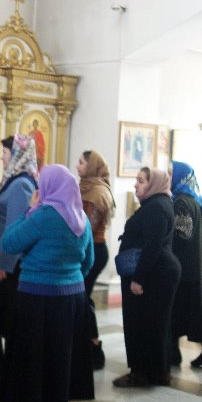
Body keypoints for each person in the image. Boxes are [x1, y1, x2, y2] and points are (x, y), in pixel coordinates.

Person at [0, 164, 94, 402]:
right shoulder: (81, 219)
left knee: (35, 365)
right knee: (61, 365)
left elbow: (9, 242)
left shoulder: (42, 216)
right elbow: (88, 261)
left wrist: (29, 209)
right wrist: (69, 276)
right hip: (72, 300)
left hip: (37, 299)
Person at [114, 167, 180, 387]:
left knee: (140, 324)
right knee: (155, 324)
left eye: (141, 181)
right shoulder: (159, 203)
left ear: (154, 184)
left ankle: (141, 373)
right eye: (137, 180)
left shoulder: (156, 207)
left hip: (152, 274)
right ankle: (157, 372)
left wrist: (138, 279)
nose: (136, 185)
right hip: (158, 272)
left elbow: (153, 246)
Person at [0, 134, 39, 374]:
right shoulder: (13, 181)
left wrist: (5, 264)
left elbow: (14, 228)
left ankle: (10, 366)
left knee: (6, 314)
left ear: (17, 155)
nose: (2, 158)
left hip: (5, 261)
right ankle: (3, 362)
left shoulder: (21, 185)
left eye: (5, 153)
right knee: (0, 312)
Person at [168, 161, 202, 368]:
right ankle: (176, 351)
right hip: (193, 265)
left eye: (170, 174)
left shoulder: (181, 201)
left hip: (185, 267)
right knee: (192, 311)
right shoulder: (192, 198)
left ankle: (181, 352)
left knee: (181, 310)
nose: (167, 177)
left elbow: (183, 233)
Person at [77, 150, 115, 370]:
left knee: (83, 297)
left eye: (82, 162)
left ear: (92, 166)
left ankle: (94, 347)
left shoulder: (98, 191)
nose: (77, 166)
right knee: (82, 297)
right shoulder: (85, 186)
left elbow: (88, 227)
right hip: (86, 248)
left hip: (94, 249)